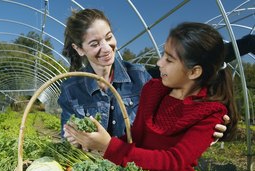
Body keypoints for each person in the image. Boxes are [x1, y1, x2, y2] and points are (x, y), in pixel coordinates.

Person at [61, 22, 239, 171]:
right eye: (162, 55)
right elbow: (135, 137)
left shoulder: (210, 111)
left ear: (194, 71)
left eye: (169, 59)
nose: (158, 63)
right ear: (80, 49)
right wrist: (93, 142)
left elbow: (173, 161)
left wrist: (109, 147)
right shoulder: (153, 90)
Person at [57, 9, 248, 145]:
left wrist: (206, 124)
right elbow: (67, 135)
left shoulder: (140, 77)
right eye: (94, 43)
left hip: (137, 168)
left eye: (108, 37)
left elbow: (178, 109)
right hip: (91, 169)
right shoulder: (71, 89)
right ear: (79, 49)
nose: (106, 48)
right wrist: (73, 137)